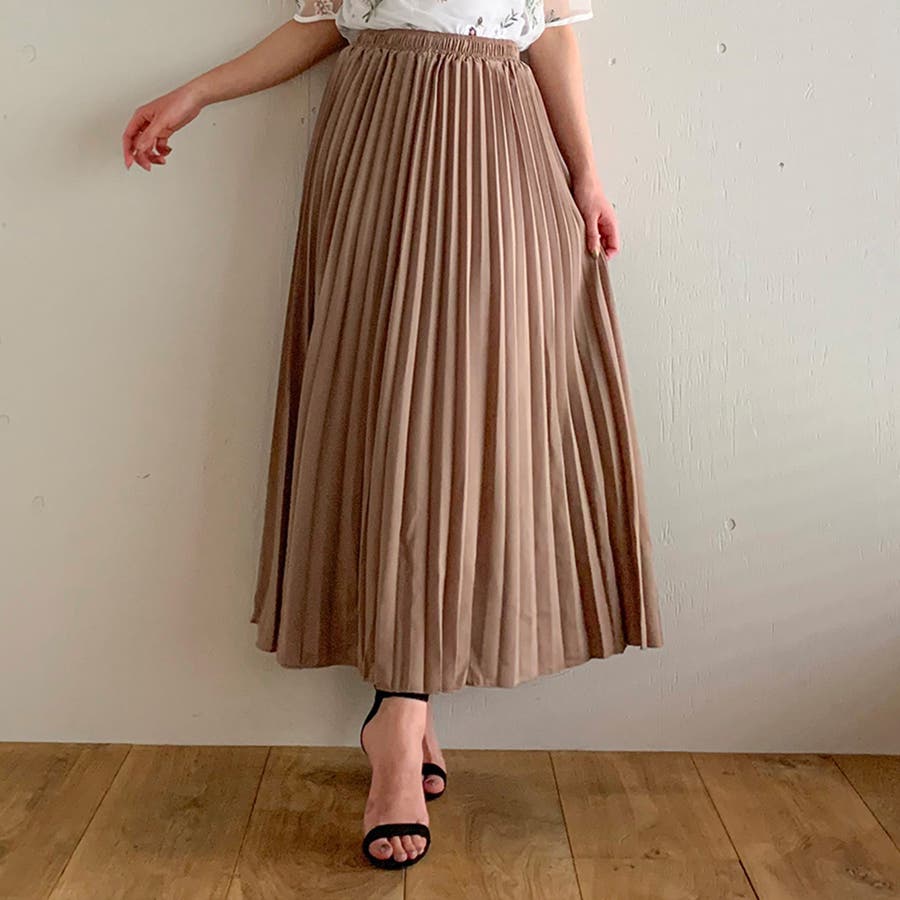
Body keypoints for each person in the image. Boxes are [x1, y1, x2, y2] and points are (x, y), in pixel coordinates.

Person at [122, 0, 663, 872]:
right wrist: (198, 93)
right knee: (382, 407)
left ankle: (402, 712)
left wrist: (587, 177)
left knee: (475, 414)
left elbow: (550, 33)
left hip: (500, 150)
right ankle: (403, 719)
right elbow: (328, 21)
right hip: (380, 142)